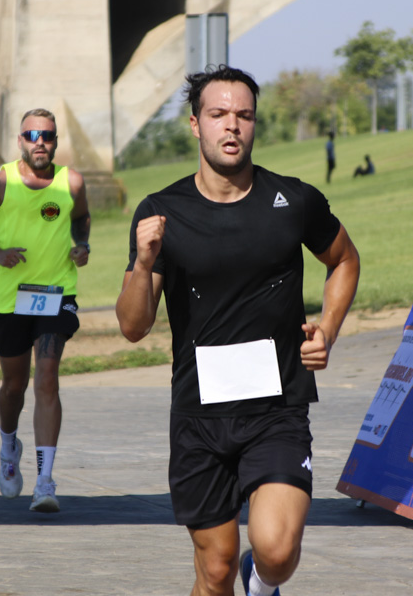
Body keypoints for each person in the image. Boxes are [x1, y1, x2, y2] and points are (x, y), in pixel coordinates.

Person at [115, 65, 360, 596]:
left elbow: (344, 260)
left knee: (275, 551)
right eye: (218, 114)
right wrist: (141, 262)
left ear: (255, 125)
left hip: (276, 407)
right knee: (216, 568)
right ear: (195, 124)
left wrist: (329, 331)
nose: (232, 126)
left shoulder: (293, 201)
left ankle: (263, 581)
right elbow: (133, 327)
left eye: (244, 115)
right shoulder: (162, 212)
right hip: (199, 416)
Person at [0, 108, 91, 513]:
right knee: (15, 387)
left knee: (47, 378)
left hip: (56, 294)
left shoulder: (72, 182)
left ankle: (45, 481)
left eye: (47, 135)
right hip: (12, 301)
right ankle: (9, 444)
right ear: (20, 141)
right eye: (32, 135)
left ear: (56, 141)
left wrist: (83, 248)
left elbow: (81, 220)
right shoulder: (0, 183)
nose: (40, 141)